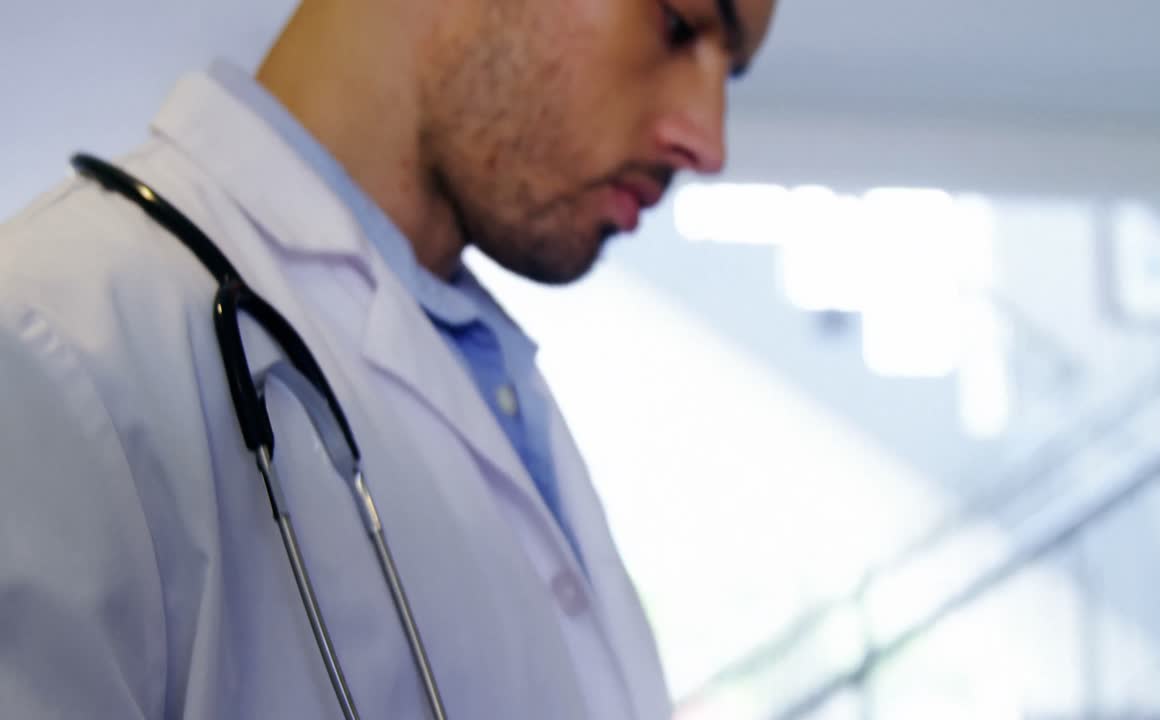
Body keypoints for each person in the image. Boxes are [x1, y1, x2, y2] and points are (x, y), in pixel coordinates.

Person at [0, 0, 776, 718]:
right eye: (681, 23)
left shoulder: (484, 370)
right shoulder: (51, 338)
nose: (708, 141)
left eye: (731, 72)